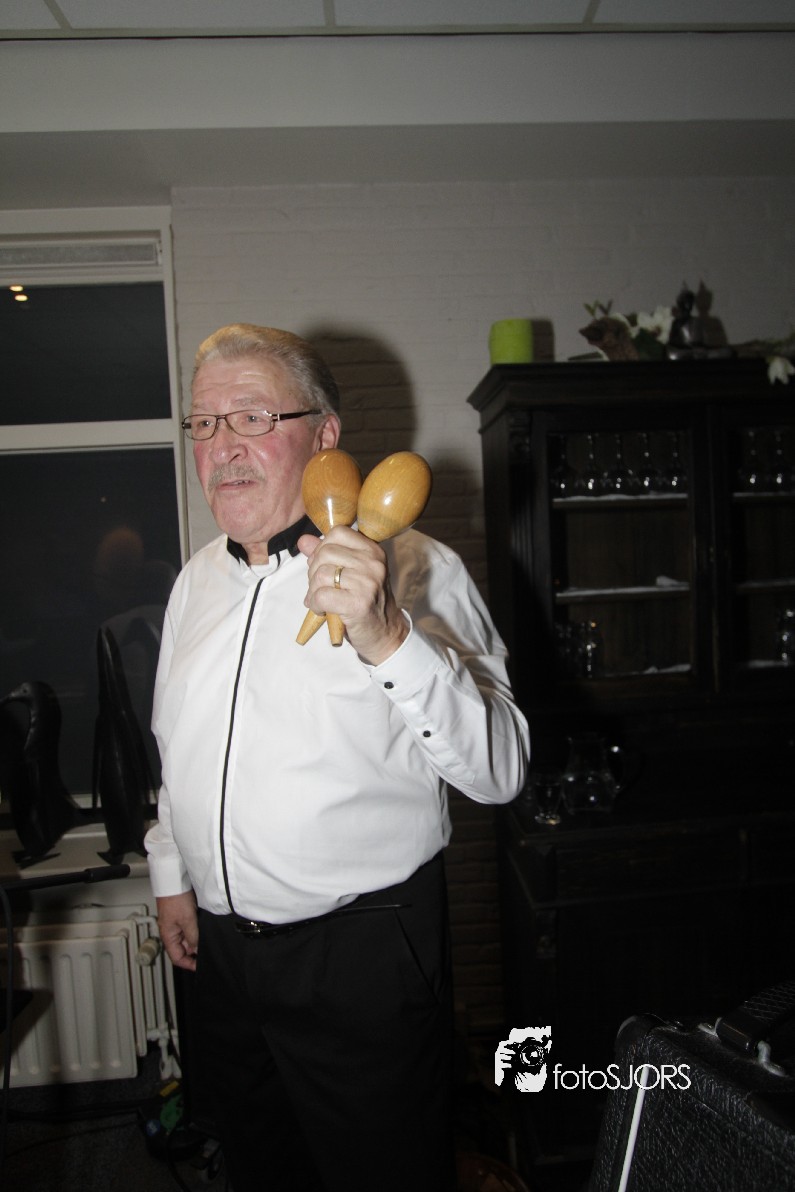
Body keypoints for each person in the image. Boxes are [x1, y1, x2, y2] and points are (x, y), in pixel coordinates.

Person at [144, 323, 530, 1192]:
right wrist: (170, 871)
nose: (221, 447)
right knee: (259, 1168)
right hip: (222, 958)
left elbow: (500, 769)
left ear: (324, 435)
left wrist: (388, 634)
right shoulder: (194, 580)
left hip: (361, 956)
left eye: (252, 417)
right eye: (203, 423)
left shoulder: (416, 567)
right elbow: (176, 744)